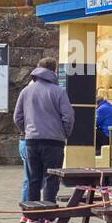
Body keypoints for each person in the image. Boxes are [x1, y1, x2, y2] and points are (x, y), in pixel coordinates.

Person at [13, 56, 74, 206]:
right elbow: (68, 117)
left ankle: (32, 215)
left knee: (33, 179)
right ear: (54, 71)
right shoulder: (59, 92)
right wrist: (63, 133)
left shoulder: (26, 91)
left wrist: (27, 130)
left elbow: (17, 117)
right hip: (54, 142)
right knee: (51, 179)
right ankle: (48, 213)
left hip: (32, 140)